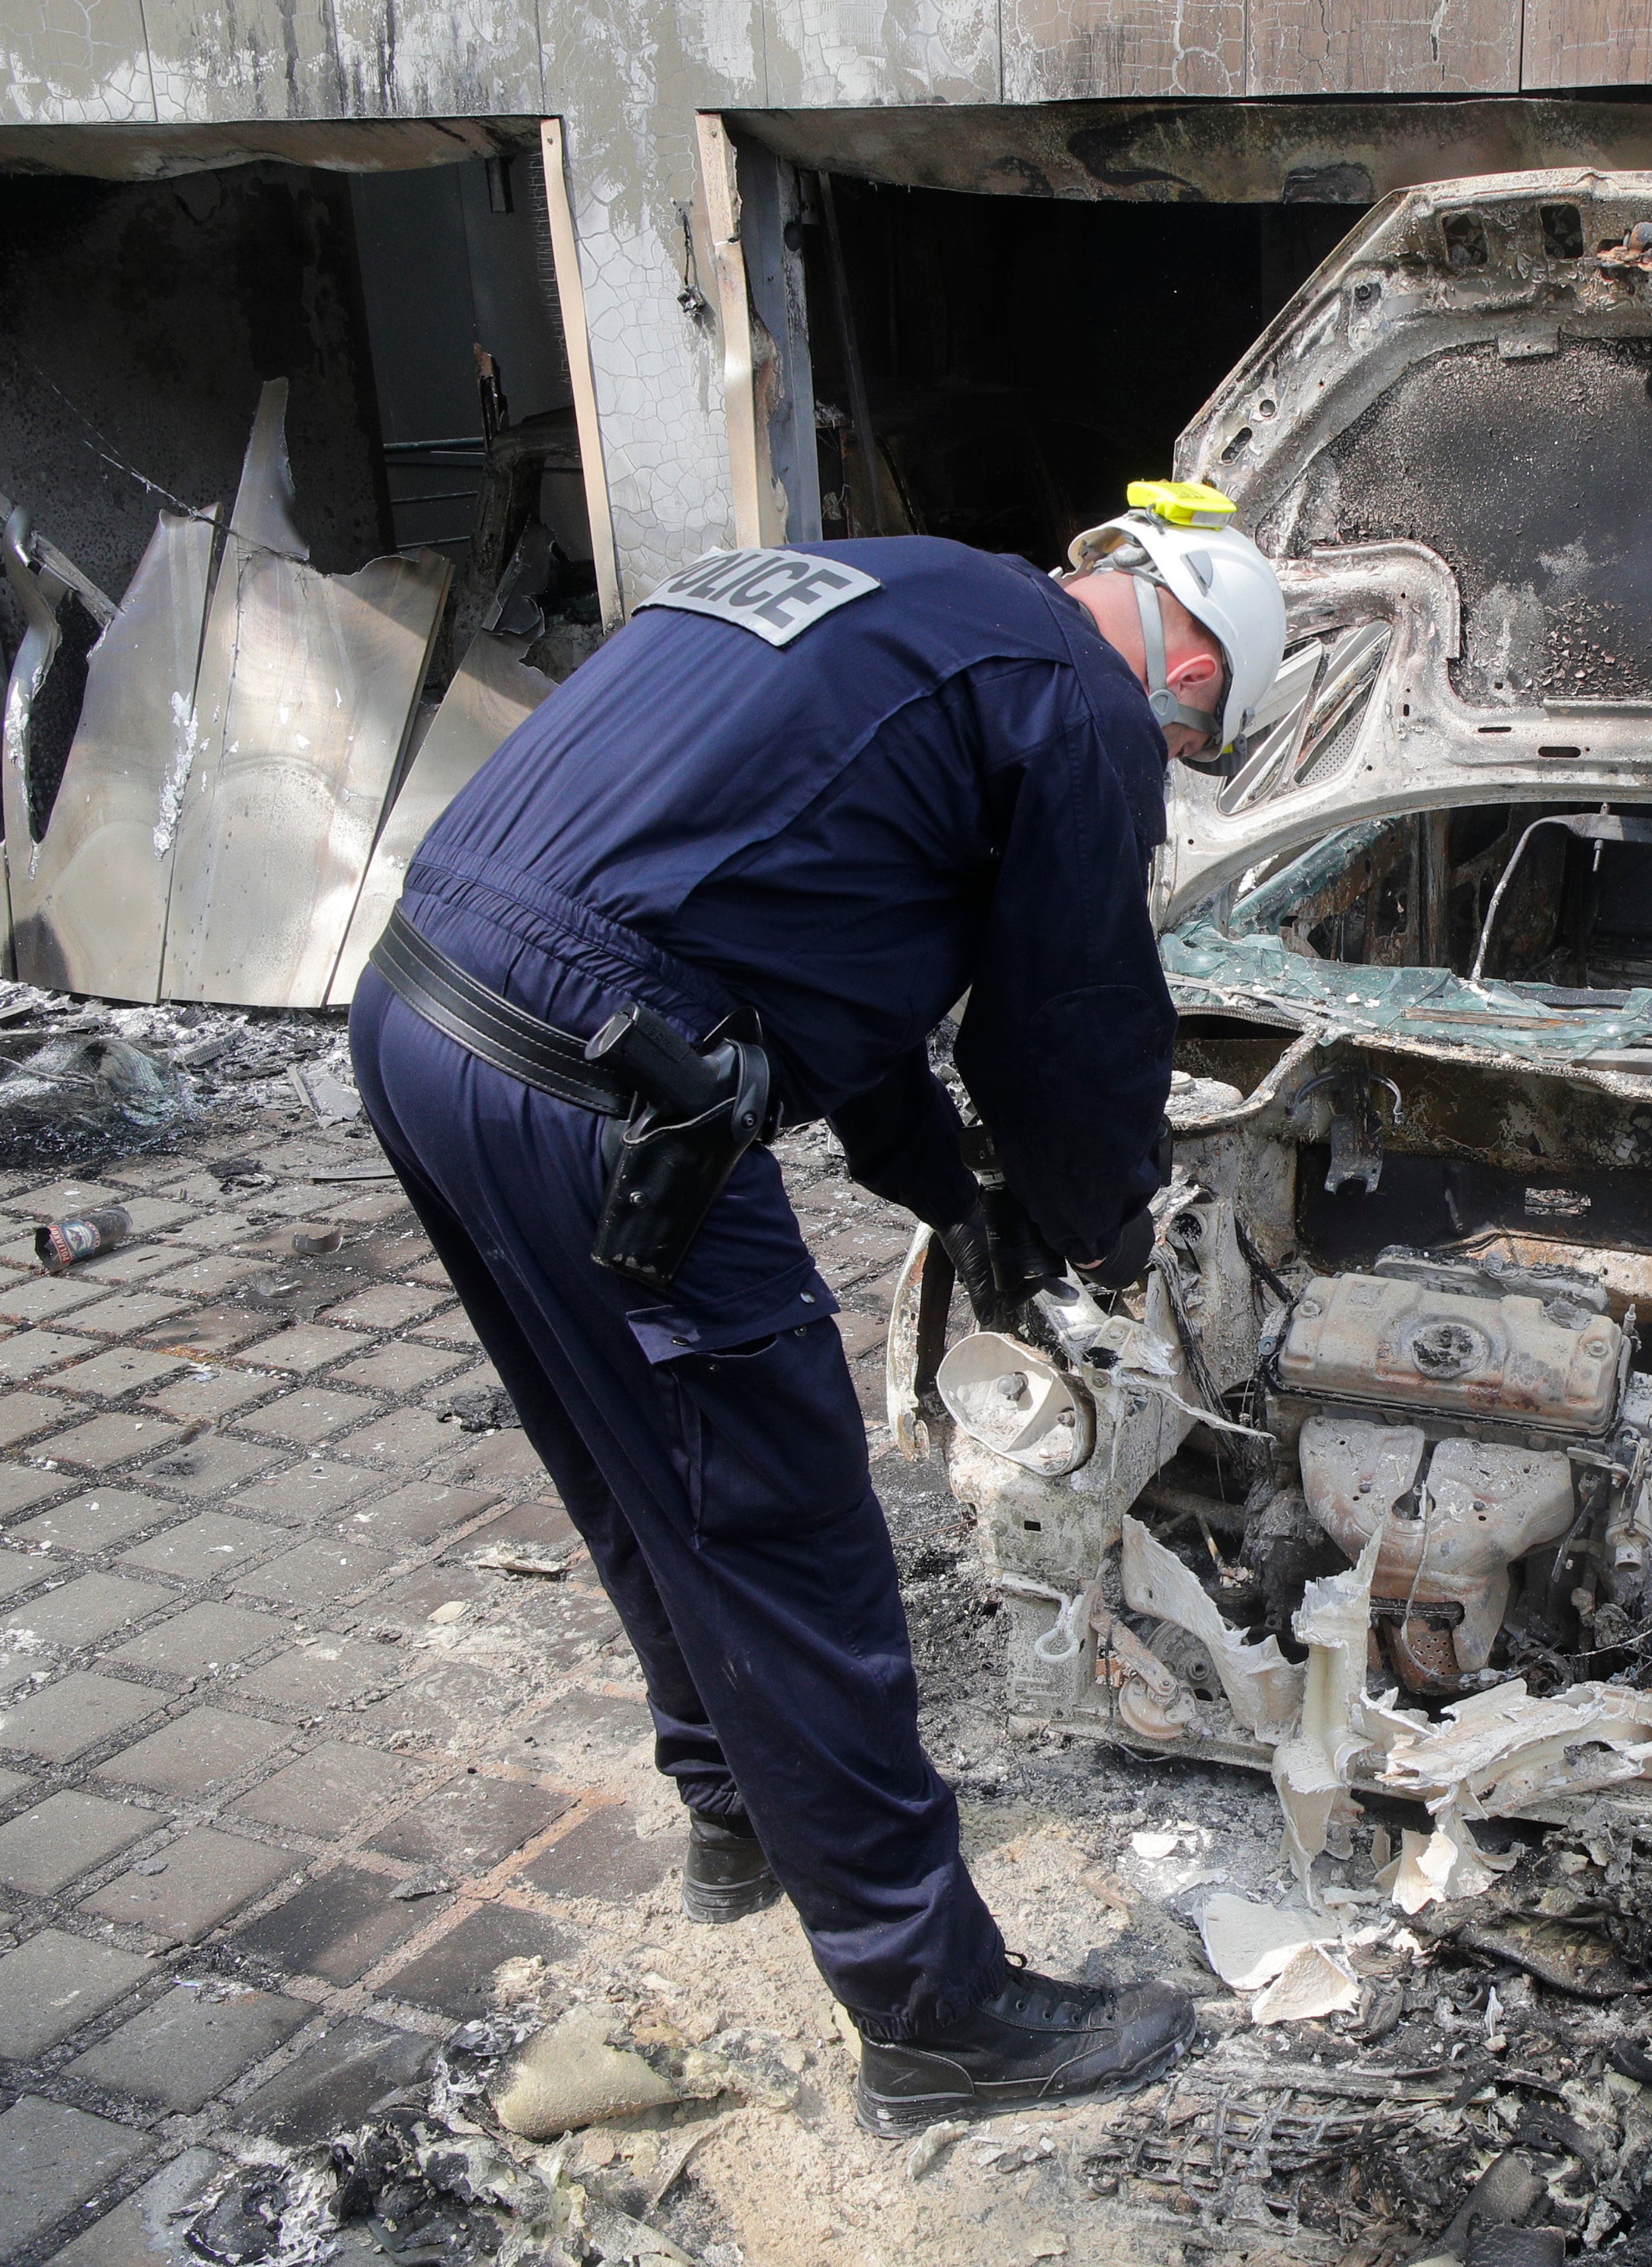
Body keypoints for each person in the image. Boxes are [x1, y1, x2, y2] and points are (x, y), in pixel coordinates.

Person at [346, 483, 1285, 2135]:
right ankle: (935, 2011)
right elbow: (1060, 1028)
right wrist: (1110, 1229)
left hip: (424, 1008)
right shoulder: (1080, 702)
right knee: (785, 1534)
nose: (1168, 766)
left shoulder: (885, 588)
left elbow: (842, 967)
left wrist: (954, 1198)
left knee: (636, 1470)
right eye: (1191, 752)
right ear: (1194, 673)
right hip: (607, 1086)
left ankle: (734, 1814)